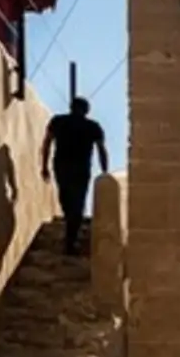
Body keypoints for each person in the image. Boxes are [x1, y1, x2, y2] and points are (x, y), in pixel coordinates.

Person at [41, 98, 110, 256]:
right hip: (79, 168)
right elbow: (101, 149)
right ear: (86, 110)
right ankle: (71, 237)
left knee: (67, 200)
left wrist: (44, 166)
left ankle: (70, 240)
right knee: (75, 203)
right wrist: (105, 170)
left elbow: (47, 143)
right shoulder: (92, 126)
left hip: (63, 167)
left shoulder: (58, 121)